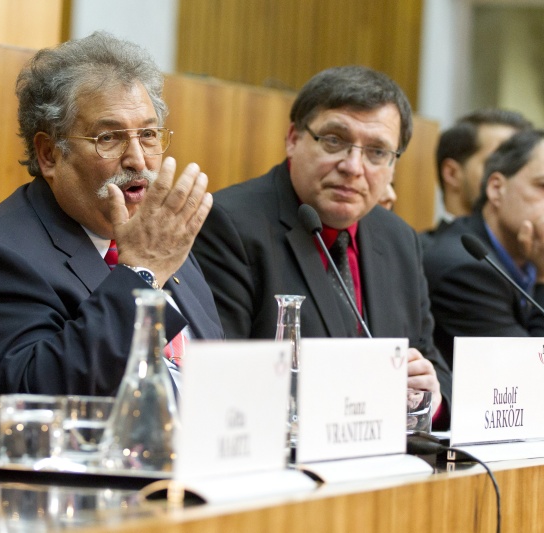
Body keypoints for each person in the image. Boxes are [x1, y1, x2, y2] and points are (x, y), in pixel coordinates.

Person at [0, 31, 223, 461]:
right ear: (49, 154)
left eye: (149, 135)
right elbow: (45, 403)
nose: (138, 159)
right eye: (109, 138)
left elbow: (212, 376)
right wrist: (140, 276)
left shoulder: (161, 240)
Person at [192, 65, 451, 428]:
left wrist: (428, 398)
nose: (353, 166)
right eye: (334, 140)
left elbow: (428, 360)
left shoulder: (399, 239)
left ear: (393, 165)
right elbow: (221, 374)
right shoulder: (230, 224)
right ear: (294, 137)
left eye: (377, 152)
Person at [423, 130, 544, 368]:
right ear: (496, 189)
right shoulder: (465, 270)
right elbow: (530, 376)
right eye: (542, 185)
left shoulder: (530, 256)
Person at [421, 109, 531, 246]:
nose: (515, 180)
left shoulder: (527, 254)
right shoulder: (419, 254)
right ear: (452, 173)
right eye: (499, 163)